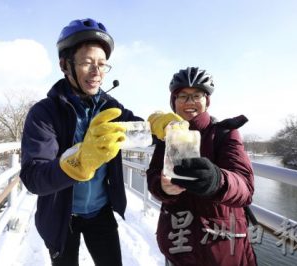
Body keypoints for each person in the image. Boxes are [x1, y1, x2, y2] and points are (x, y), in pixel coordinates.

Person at [20, 18, 142, 266]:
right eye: (87, 63)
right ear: (65, 65)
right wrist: (76, 163)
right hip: (61, 216)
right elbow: (33, 176)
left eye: (102, 64)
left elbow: (139, 130)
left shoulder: (110, 107)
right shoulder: (44, 113)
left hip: (101, 212)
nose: (97, 72)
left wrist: (163, 125)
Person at [146, 67, 257, 265]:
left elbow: (245, 187)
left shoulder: (224, 134)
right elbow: (153, 175)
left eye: (196, 95)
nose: (189, 102)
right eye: (182, 96)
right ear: (174, 101)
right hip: (178, 245)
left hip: (221, 250)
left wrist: (218, 180)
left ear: (207, 100)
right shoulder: (166, 137)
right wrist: (163, 187)